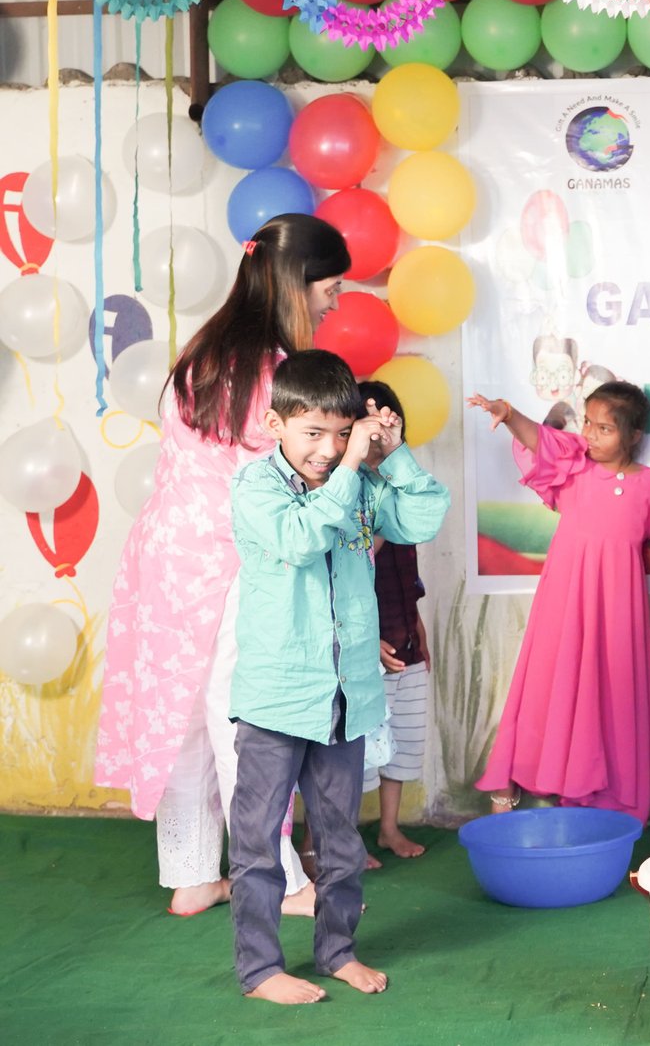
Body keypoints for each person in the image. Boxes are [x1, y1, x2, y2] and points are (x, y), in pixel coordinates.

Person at [94, 213, 348, 917]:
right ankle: (281, 880)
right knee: (246, 715)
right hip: (237, 554)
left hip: (168, 550)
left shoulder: (206, 350)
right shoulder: (276, 371)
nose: (334, 303)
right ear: (296, 284)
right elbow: (297, 477)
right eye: (330, 288)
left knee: (182, 709)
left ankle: (191, 873)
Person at [228, 350, 450, 1004]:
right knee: (258, 844)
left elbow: (423, 518)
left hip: (346, 697)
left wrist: (392, 456)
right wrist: (352, 465)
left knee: (341, 843)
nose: (327, 449)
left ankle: (336, 951)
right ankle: (260, 970)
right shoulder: (256, 487)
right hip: (276, 699)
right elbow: (301, 539)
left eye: (341, 434)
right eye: (313, 432)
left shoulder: (361, 484)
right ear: (275, 424)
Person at [471, 380, 650, 820]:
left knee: (613, 691)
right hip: (565, 596)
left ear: (634, 435)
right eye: (588, 423)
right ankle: (507, 784)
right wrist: (509, 413)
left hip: (618, 605)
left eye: (604, 429)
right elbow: (538, 438)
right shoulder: (574, 464)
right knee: (544, 683)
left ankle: (601, 798)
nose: (590, 434)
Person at [298, 379, 435, 875]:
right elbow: (348, 576)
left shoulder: (399, 492)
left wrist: (417, 627)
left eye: (387, 435)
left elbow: (406, 573)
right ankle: (323, 842)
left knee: (403, 743)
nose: (378, 445)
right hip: (359, 646)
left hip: (403, 637)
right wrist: (363, 640)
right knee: (350, 753)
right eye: (368, 435)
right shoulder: (344, 498)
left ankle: (389, 827)